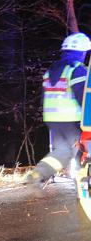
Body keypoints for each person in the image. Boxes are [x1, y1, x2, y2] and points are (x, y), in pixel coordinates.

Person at [25, 32, 91, 185]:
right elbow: (83, 96)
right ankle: (83, 181)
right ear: (81, 52)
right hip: (71, 118)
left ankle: (36, 175)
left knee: (62, 152)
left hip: (53, 119)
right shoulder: (77, 69)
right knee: (83, 148)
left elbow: (44, 96)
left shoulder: (51, 70)